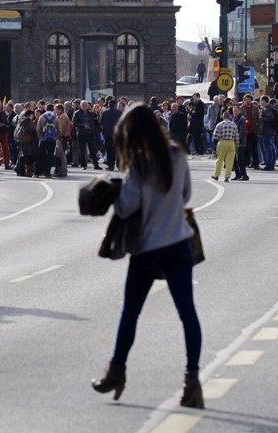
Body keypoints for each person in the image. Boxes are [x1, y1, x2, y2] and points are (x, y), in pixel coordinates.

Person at [91, 104, 203, 409]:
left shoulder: (140, 164)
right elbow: (185, 196)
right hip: (179, 243)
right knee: (187, 314)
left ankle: (117, 372)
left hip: (148, 249)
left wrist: (115, 191)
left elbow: (127, 208)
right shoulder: (178, 154)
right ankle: (192, 382)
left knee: (130, 313)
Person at [211, 111, 238, 182]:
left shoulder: (219, 124)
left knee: (220, 159)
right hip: (231, 142)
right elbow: (237, 136)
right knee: (229, 161)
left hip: (222, 142)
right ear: (229, 117)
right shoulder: (234, 125)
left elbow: (215, 136)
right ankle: (227, 176)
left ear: (223, 117)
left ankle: (216, 175)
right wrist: (237, 145)